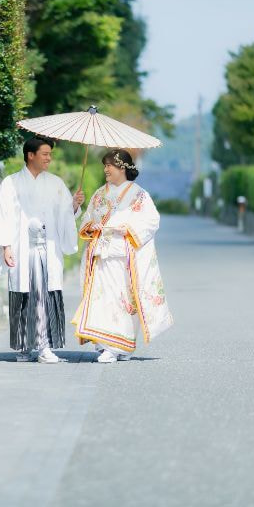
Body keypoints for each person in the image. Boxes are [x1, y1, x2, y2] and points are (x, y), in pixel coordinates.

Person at [0, 136, 84, 363]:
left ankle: (44, 346)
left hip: (47, 248)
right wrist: (5, 246)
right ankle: (24, 346)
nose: (49, 158)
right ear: (31, 155)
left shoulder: (55, 183)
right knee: (24, 295)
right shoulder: (11, 183)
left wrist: (74, 205)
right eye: (45, 154)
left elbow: (64, 214)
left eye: (50, 154)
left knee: (44, 296)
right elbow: (3, 215)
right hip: (23, 248)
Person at [72, 149, 173, 363]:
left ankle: (119, 346)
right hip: (101, 254)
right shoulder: (100, 193)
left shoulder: (139, 194)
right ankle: (105, 344)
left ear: (122, 167)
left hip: (123, 254)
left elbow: (151, 221)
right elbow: (87, 221)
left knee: (123, 300)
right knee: (101, 298)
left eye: (110, 165)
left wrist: (126, 228)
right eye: (105, 165)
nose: (106, 169)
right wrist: (92, 226)